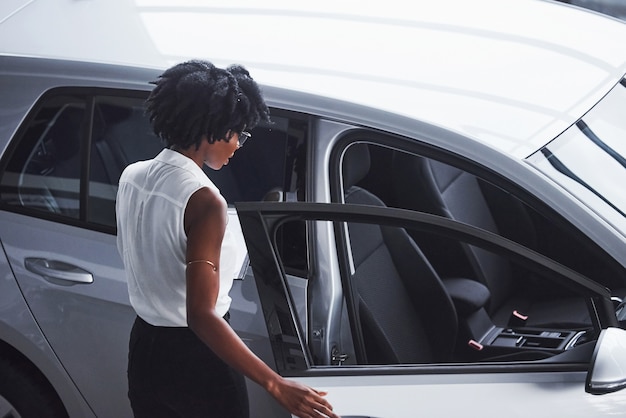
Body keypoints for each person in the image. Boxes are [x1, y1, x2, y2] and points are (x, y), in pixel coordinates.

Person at [116, 60, 339, 418]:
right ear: (212, 129)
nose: (238, 145)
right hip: (198, 361)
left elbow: (151, 251)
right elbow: (201, 315)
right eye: (238, 133)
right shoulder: (205, 201)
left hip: (144, 350)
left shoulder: (132, 176)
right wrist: (275, 384)